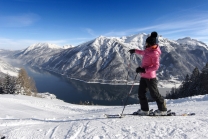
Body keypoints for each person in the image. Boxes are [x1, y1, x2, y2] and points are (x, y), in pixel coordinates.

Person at [129, 31, 167, 116]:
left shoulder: (154, 53)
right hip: (144, 76)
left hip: (150, 77)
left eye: (146, 42)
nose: (145, 44)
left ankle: (163, 110)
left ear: (150, 44)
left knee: (155, 94)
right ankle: (144, 110)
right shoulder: (148, 50)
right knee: (141, 93)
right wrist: (134, 51)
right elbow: (142, 52)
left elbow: (156, 67)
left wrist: (144, 70)